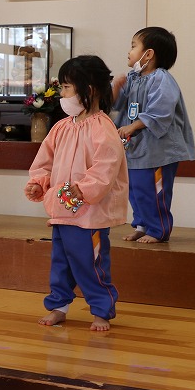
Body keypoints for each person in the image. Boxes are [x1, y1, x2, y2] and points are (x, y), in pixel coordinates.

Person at [25, 55, 128, 332]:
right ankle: (58, 306)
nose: (62, 94)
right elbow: (45, 161)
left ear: (89, 90)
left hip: (89, 215)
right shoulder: (61, 127)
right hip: (62, 211)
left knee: (90, 263)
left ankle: (102, 310)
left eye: (67, 87)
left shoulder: (103, 128)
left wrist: (83, 189)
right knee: (61, 262)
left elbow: (106, 168)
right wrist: (39, 182)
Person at [111, 27, 195, 243]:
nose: (129, 51)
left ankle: (158, 230)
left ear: (148, 54)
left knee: (154, 190)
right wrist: (116, 90)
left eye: (133, 46)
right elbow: (117, 105)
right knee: (136, 189)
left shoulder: (162, 79)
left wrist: (133, 126)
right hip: (136, 149)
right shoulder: (133, 78)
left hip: (158, 151)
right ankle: (142, 225)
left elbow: (161, 112)